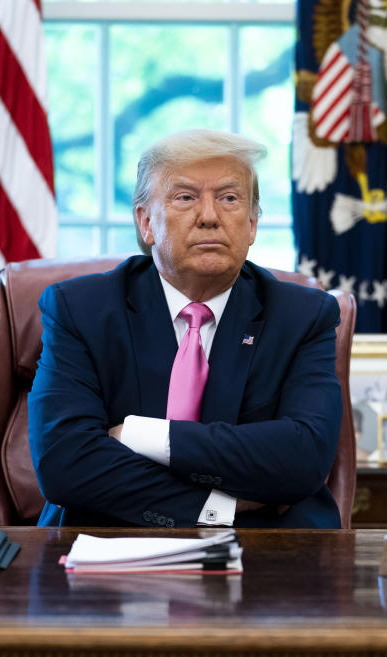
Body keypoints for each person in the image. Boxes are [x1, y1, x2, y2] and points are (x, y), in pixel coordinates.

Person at [28, 129, 343, 529]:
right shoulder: (82, 310)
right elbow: (65, 464)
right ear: (146, 222)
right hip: (107, 538)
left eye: (229, 198)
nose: (210, 216)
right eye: (186, 197)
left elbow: (304, 457)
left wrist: (142, 436)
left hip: (267, 548)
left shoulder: (302, 316)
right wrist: (216, 508)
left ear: (251, 224)